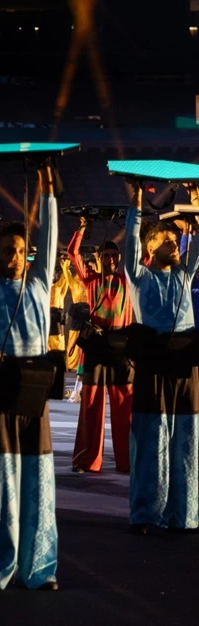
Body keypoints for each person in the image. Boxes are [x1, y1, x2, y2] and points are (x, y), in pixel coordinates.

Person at [0, 159, 60, 591]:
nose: (16, 257)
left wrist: (49, 191)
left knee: (38, 483)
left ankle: (39, 568)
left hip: (34, 392)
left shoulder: (39, 284)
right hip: (0, 392)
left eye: (22, 251)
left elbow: (52, 239)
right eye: (8, 251)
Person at [123, 181, 199, 533]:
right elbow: (130, 242)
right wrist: (137, 203)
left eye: (175, 240)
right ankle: (147, 514)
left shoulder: (185, 274)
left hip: (186, 365)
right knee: (152, 440)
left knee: (187, 439)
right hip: (153, 365)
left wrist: (196, 199)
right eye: (166, 241)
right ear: (149, 250)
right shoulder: (139, 278)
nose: (175, 244)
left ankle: (185, 514)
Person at [68, 218, 133, 474]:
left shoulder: (127, 281)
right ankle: (87, 460)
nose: (111, 260)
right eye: (106, 256)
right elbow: (73, 253)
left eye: (114, 256)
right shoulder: (91, 279)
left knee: (124, 406)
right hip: (95, 345)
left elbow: (144, 260)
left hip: (121, 346)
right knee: (91, 404)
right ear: (98, 258)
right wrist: (83, 227)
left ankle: (126, 460)